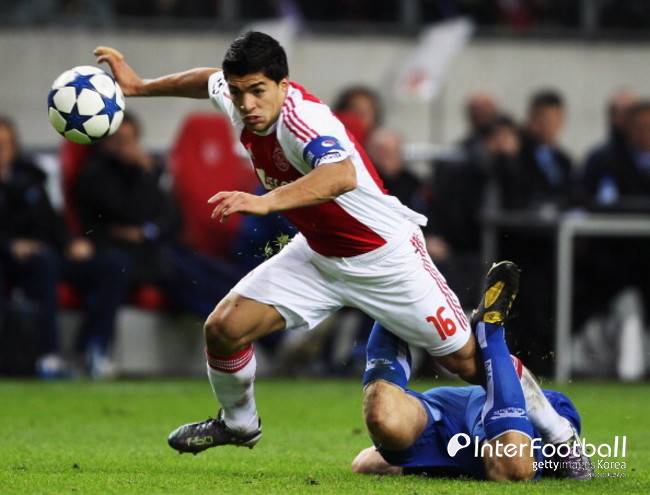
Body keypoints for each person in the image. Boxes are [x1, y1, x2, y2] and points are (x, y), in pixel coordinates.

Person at [94, 33, 586, 470]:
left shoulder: (302, 120)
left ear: (283, 84)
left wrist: (265, 202)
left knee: (467, 361)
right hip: (319, 255)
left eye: (257, 90)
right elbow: (207, 81)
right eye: (239, 92)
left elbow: (340, 175)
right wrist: (139, 86)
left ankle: (563, 439)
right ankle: (239, 423)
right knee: (223, 329)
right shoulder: (240, 98)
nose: (245, 103)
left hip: (386, 259)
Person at [352, 262, 593, 480]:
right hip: (452, 414)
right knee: (381, 422)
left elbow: (365, 460)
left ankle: (488, 332)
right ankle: (400, 297)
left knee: (513, 467)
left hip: (498, 416)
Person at [0, 116, 129, 378]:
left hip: (48, 252)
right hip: (13, 259)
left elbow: (50, 218)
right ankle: (49, 354)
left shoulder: (30, 177)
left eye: (6, 144)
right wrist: (11, 245)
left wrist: (71, 242)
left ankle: (93, 348)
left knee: (113, 263)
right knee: (44, 262)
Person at [75, 112, 238, 318]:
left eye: (132, 141)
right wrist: (146, 174)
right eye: (120, 141)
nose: (128, 148)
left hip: (154, 247)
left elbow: (172, 216)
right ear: (106, 143)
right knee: (190, 278)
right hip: (124, 255)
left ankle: (259, 323)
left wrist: (149, 231)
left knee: (217, 271)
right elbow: (130, 212)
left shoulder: (139, 171)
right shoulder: (97, 174)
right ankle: (233, 322)